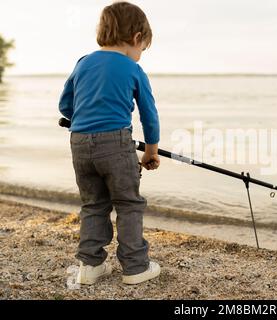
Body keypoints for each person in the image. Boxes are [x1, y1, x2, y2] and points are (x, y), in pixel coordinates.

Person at [58, 1, 161, 285]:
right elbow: (149, 115)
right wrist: (150, 151)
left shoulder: (83, 62)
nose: (140, 55)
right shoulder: (132, 69)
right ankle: (135, 267)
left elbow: (65, 105)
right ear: (136, 38)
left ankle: (89, 267)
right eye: (142, 48)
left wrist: (82, 120)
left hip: (78, 143)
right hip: (116, 144)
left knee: (93, 204)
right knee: (128, 204)